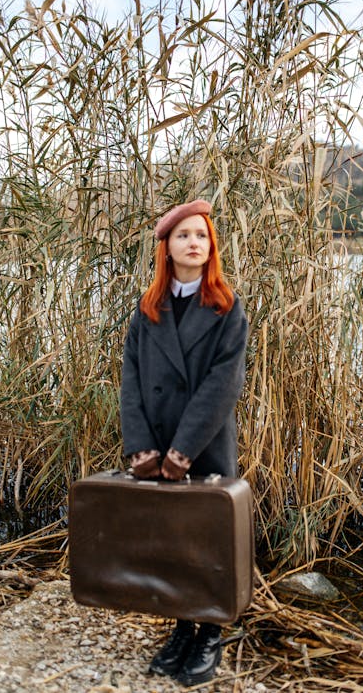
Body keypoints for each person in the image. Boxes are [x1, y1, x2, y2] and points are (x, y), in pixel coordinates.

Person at [120, 199, 248, 686]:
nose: (194, 242)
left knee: (208, 538)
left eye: (201, 235)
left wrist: (183, 451)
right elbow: (130, 380)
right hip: (154, 442)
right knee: (172, 538)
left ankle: (210, 634)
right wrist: (141, 447)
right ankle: (181, 627)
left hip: (204, 443)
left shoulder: (225, 307)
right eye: (183, 235)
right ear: (167, 247)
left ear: (210, 246)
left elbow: (223, 385)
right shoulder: (147, 308)